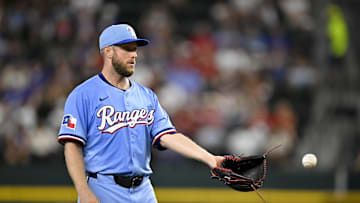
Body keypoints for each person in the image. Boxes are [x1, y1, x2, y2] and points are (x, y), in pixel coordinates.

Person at [58, 24, 224, 203]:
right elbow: (72, 145)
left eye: (135, 49)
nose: (134, 54)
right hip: (103, 188)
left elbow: (168, 135)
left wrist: (209, 158)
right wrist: (83, 190)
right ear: (108, 51)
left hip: (143, 190)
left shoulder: (146, 96)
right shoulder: (83, 94)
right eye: (127, 49)